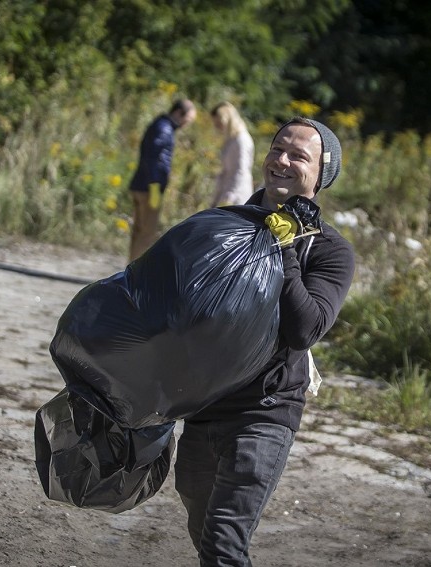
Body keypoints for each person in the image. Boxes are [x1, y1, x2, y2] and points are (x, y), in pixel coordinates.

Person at [174, 117, 355, 565]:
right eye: (278, 149)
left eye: (299, 156)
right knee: (203, 532)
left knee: (223, 545)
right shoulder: (224, 225)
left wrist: (287, 245)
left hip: (265, 413)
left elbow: (304, 329)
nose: (282, 161)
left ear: (320, 174)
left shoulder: (330, 251)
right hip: (204, 404)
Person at [128, 98, 197, 262]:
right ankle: (137, 276)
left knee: (138, 232)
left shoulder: (159, 125)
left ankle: (131, 270)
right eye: (187, 120)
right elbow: (155, 159)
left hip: (140, 185)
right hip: (149, 189)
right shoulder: (164, 129)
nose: (186, 124)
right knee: (147, 233)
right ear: (179, 113)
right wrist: (155, 186)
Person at [209, 102, 255, 207]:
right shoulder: (231, 139)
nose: (217, 128)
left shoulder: (241, 140)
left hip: (236, 195)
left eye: (219, 124)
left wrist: (229, 197)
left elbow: (241, 171)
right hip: (227, 191)